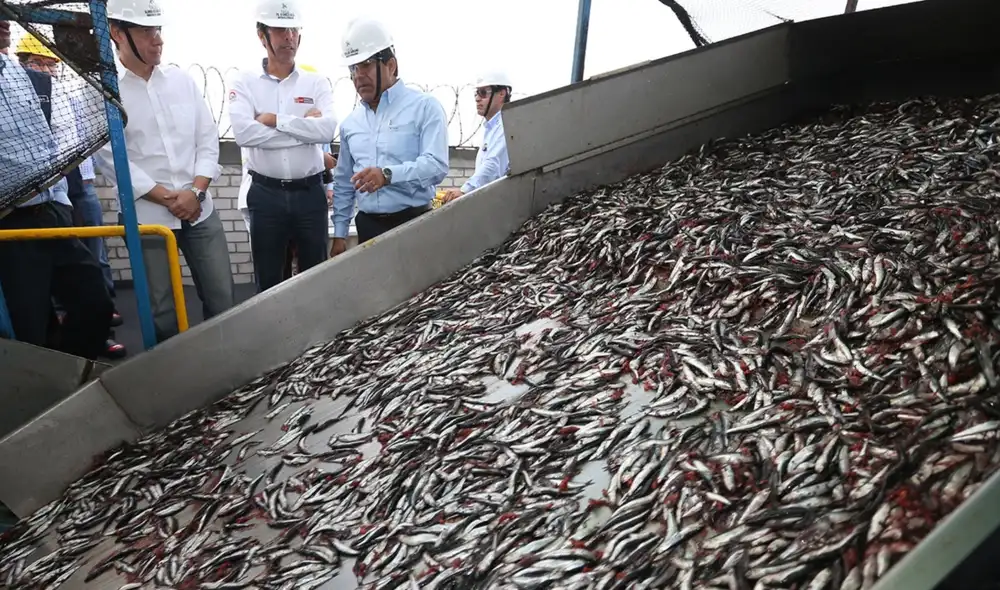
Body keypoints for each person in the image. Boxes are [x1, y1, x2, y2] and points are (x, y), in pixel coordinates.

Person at [95, 0, 235, 344]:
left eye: (158, 30)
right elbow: (110, 157)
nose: (157, 39)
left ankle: (225, 366)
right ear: (117, 34)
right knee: (161, 310)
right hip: (150, 218)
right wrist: (168, 198)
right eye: (146, 31)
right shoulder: (105, 92)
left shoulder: (182, 82)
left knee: (223, 300)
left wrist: (196, 193)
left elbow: (207, 138)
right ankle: (174, 382)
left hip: (200, 211)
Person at [0, 18, 113, 360]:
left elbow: (48, 145)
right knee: (29, 327)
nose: (4, 20)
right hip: (9, 223)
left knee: (95, 302)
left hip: (50, 212)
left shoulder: (24, 77)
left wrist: (61, 200)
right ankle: (42, 400)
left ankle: (71, 377)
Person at [229, 0, 338, 293]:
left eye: (293, 29)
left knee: (315, 279)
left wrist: (275, 120)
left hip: (310, 196)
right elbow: (244, 134)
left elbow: (327, 128)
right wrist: (304, 129)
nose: (289, 37)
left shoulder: (316, 82)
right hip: (266, 197)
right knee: (269, 283)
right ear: (262, 35)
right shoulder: (244, 82)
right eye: (280, 30)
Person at [330, 18, 449, 254]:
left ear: (391, 65)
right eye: (353, 68)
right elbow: (344, 182)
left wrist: (387, 175)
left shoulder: (424, 107)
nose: (358, 76)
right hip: (369, 228)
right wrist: (340, 234)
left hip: (414, 224)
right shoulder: (350, 124)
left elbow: (436, 166)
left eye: (365, 65)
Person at [441, 70, 512, 204]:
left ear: (502, 93)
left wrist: (464, 190)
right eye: (477, 93)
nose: (478, 98)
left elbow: (493, 165)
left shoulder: (506, 126)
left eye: (483, 93)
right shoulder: (492, 129)